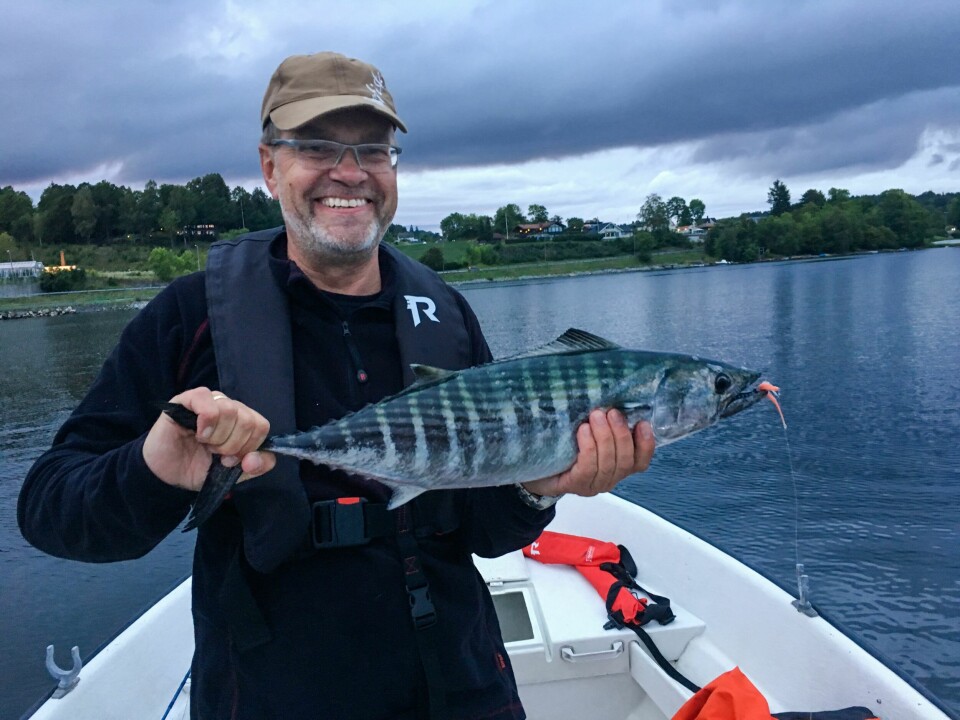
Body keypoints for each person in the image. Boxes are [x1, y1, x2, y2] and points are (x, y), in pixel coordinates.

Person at [18, 52, 655, 720]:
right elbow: (49, 509)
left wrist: (535, 487)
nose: (350, 172)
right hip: (271, 693)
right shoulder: (191, 318)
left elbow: (484, 530)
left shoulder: (444, 314)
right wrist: (150, 472)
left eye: (374, 150)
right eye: (318, 146)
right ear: (270, 165)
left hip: (459, 685)